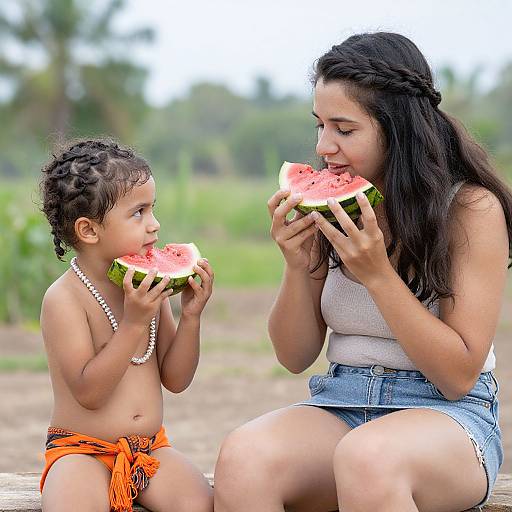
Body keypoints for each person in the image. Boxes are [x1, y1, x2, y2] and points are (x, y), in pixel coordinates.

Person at [214, 32, 512, 512]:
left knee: (368, 457)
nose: (324, 146)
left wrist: (377, 275)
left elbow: (457, 374)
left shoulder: (470, 209)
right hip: (342, 399)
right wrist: (298, 266)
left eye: (344, 129)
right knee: (244, 456)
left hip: (449, 417)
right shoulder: (336, 206)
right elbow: (293, 356)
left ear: (399, 129)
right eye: (319, 126)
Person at [38, 139, 214, 512]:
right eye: (139, 213)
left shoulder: (146, 284)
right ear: (89, 230)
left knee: (199, 503)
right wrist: (134, 324)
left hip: (149, 449)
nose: (155, 224)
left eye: (153, 209)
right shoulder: (64, 300)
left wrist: (191, 317)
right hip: (81, 450)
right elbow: (89, 393)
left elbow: (177, 379)